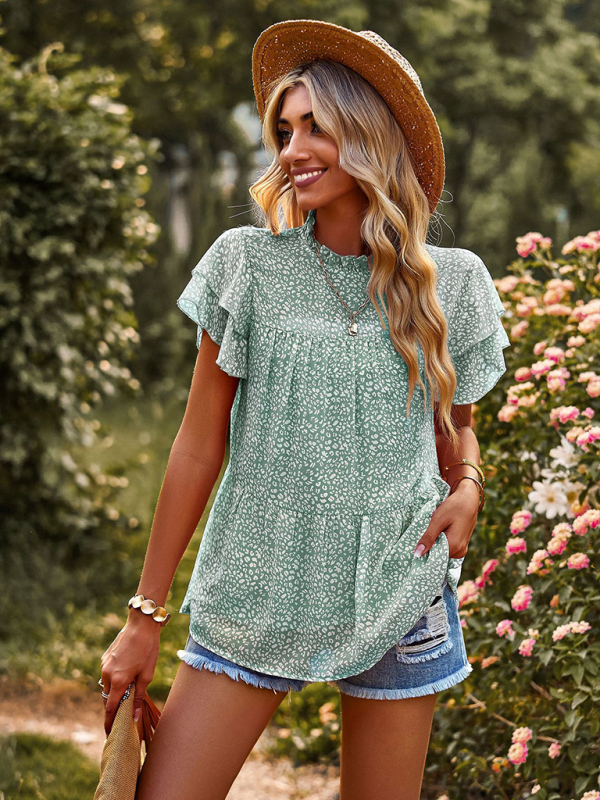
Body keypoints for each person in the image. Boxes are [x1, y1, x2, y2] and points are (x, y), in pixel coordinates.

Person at [100, 19, 511, 800]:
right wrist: (143, 616)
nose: (292, 151)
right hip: (255, 583)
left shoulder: (451, 282)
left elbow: (455, 427)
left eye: (317, 127)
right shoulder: (247, 266)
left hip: (399, 586)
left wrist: (469, 485)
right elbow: (197, 445)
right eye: (284, 131)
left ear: (371, 134)